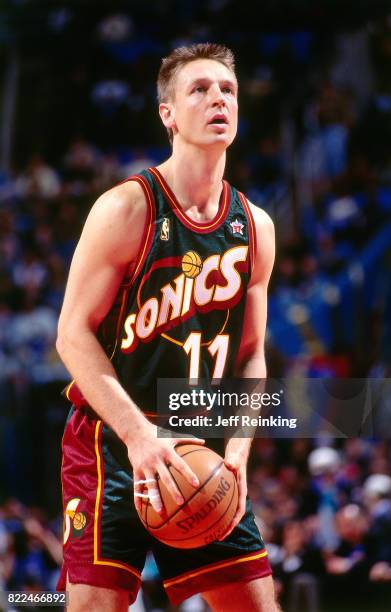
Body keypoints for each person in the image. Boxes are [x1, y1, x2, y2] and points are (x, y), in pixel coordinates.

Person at [56, 43, 279, 611]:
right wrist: (138, 436)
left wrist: (239, 447)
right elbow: (72, 335)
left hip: (200, 445)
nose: (217, 99)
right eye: (199, 89)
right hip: (113, 444)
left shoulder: (255, 226)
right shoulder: (127, 208)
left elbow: (251, 354)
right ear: (169, 114)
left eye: (227, 89)